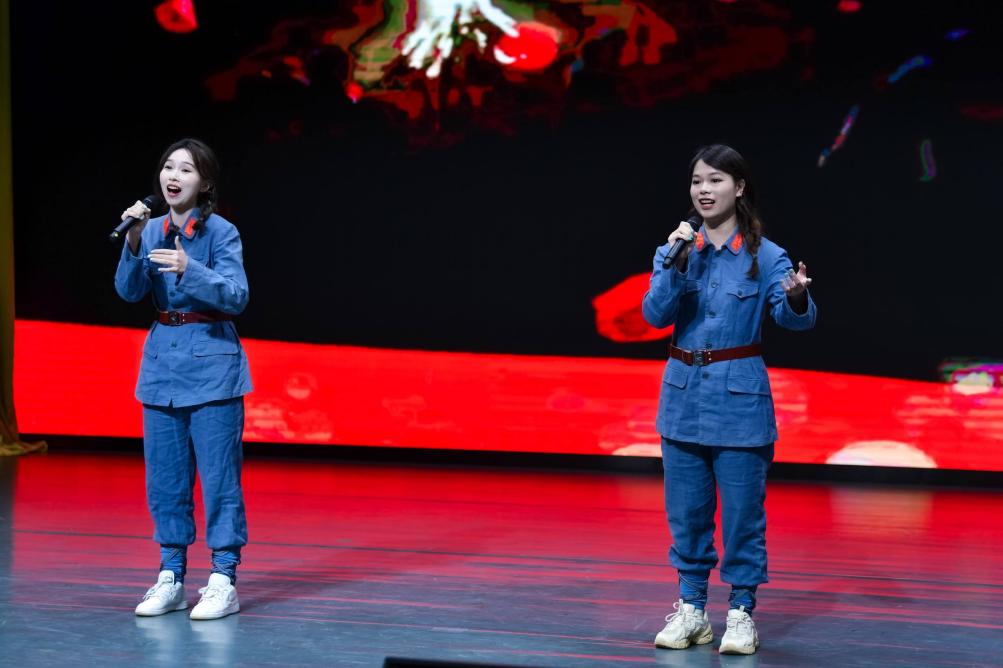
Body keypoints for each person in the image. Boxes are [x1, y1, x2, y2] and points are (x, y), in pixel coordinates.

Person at [642, 144, 816, 655]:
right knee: (687, 514)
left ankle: (741, 612)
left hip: (740, 401)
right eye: (697, 180)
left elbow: (794, 318)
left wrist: (798, 295)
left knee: (742, 516)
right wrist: (674, 264)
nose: (704, 189)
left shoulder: (766, 255)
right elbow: (654, 315)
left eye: (715, 180)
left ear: (738, 188)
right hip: (682, 399)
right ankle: (692, 610)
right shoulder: (676, 250)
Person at [115, 138, 252, 620]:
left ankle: (223, 578)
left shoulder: (221, 232)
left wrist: (190, 269)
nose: (173, 176)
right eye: (168, 167)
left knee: (219, 480)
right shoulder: (150, 228)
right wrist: (134, 242)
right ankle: (171, 575)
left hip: (212, 365)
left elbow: (236, 296)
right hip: (162, 367)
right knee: (166, 480)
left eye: (186, 170)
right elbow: (129, 291)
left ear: (205, 183)